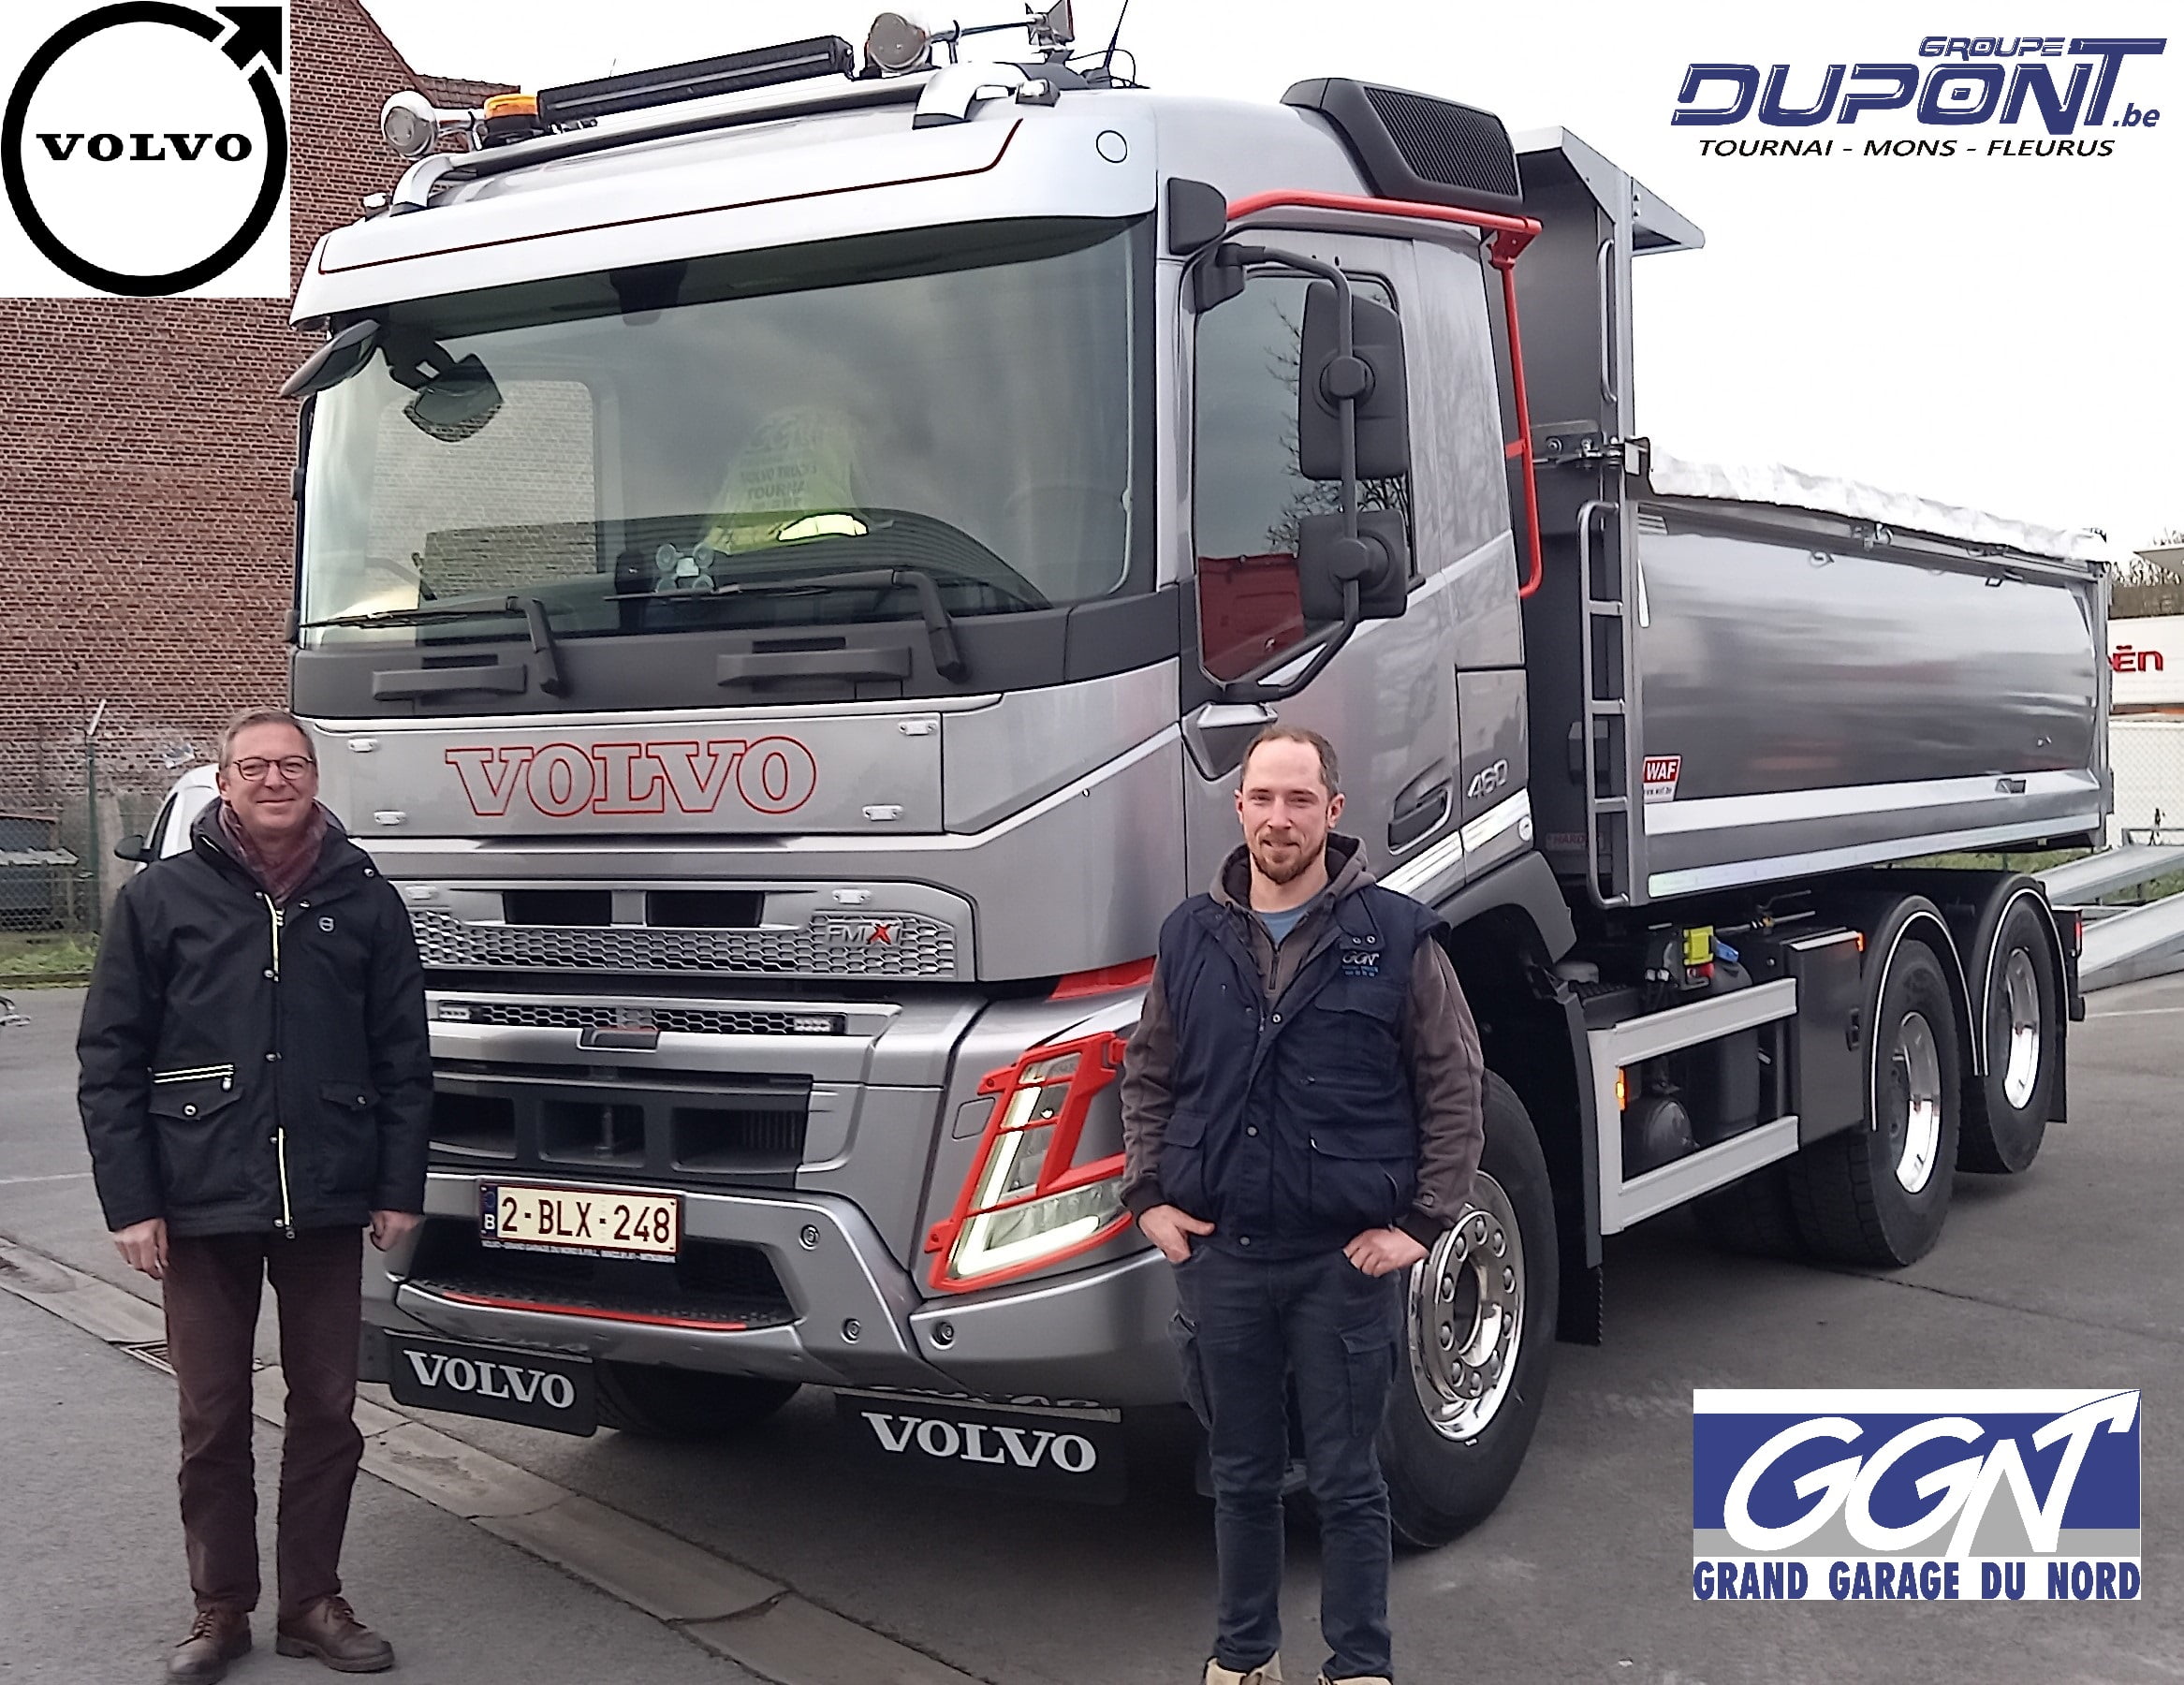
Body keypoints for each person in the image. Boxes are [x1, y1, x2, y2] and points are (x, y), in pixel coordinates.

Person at [1121, 725, 1486, 1685]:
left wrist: (1421, 1225)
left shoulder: (1396, 936)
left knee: (1347, 1480)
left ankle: (1357, 1665)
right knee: (1240, 1477)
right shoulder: (1187, 937)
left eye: (1298, 799)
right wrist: (1147, 1199)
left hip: (1341, 1265)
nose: (1277, 818)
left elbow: (1452, 1083)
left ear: (1332, 809)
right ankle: (1244, 1660)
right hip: (1224, 1260)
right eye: (1261, 798)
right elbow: (1148, 1073)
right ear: (1238, 807)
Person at [79, 708, 432, 1681]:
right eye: (254, 766)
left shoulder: (366, 899)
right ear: (224, 781)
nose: (275, 780)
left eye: (292, 765)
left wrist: (397, 1185)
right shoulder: (161, 899)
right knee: (212, 1416)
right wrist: (130, 1202)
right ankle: (220, 1607)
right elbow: (110, 1059)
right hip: (199, 1195)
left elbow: (403, 1056)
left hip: (326, 1193)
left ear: (315, 777)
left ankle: (312, 1603)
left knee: (327, 1410)